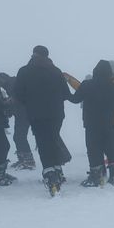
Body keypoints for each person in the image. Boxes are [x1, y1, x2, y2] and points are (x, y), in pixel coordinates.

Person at [15, 45, 72, 194]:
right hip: (56, 114)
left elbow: (18, 95)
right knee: (53, 139)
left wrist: (29, 102)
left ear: (33, 55)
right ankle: (58, 171)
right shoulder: (56, 71)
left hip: (36, 114)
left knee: (43, 143)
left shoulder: (24, 71)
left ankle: (50, 175)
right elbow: (66, 94)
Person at [66, 60, 114, 186]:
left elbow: (75, 99)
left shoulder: (87, 85)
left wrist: (64, 92)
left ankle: (97, 176)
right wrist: (113, 109)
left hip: (91, 124)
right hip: (111, 123)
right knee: (112, 148)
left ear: (95, 71)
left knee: (94, 149)